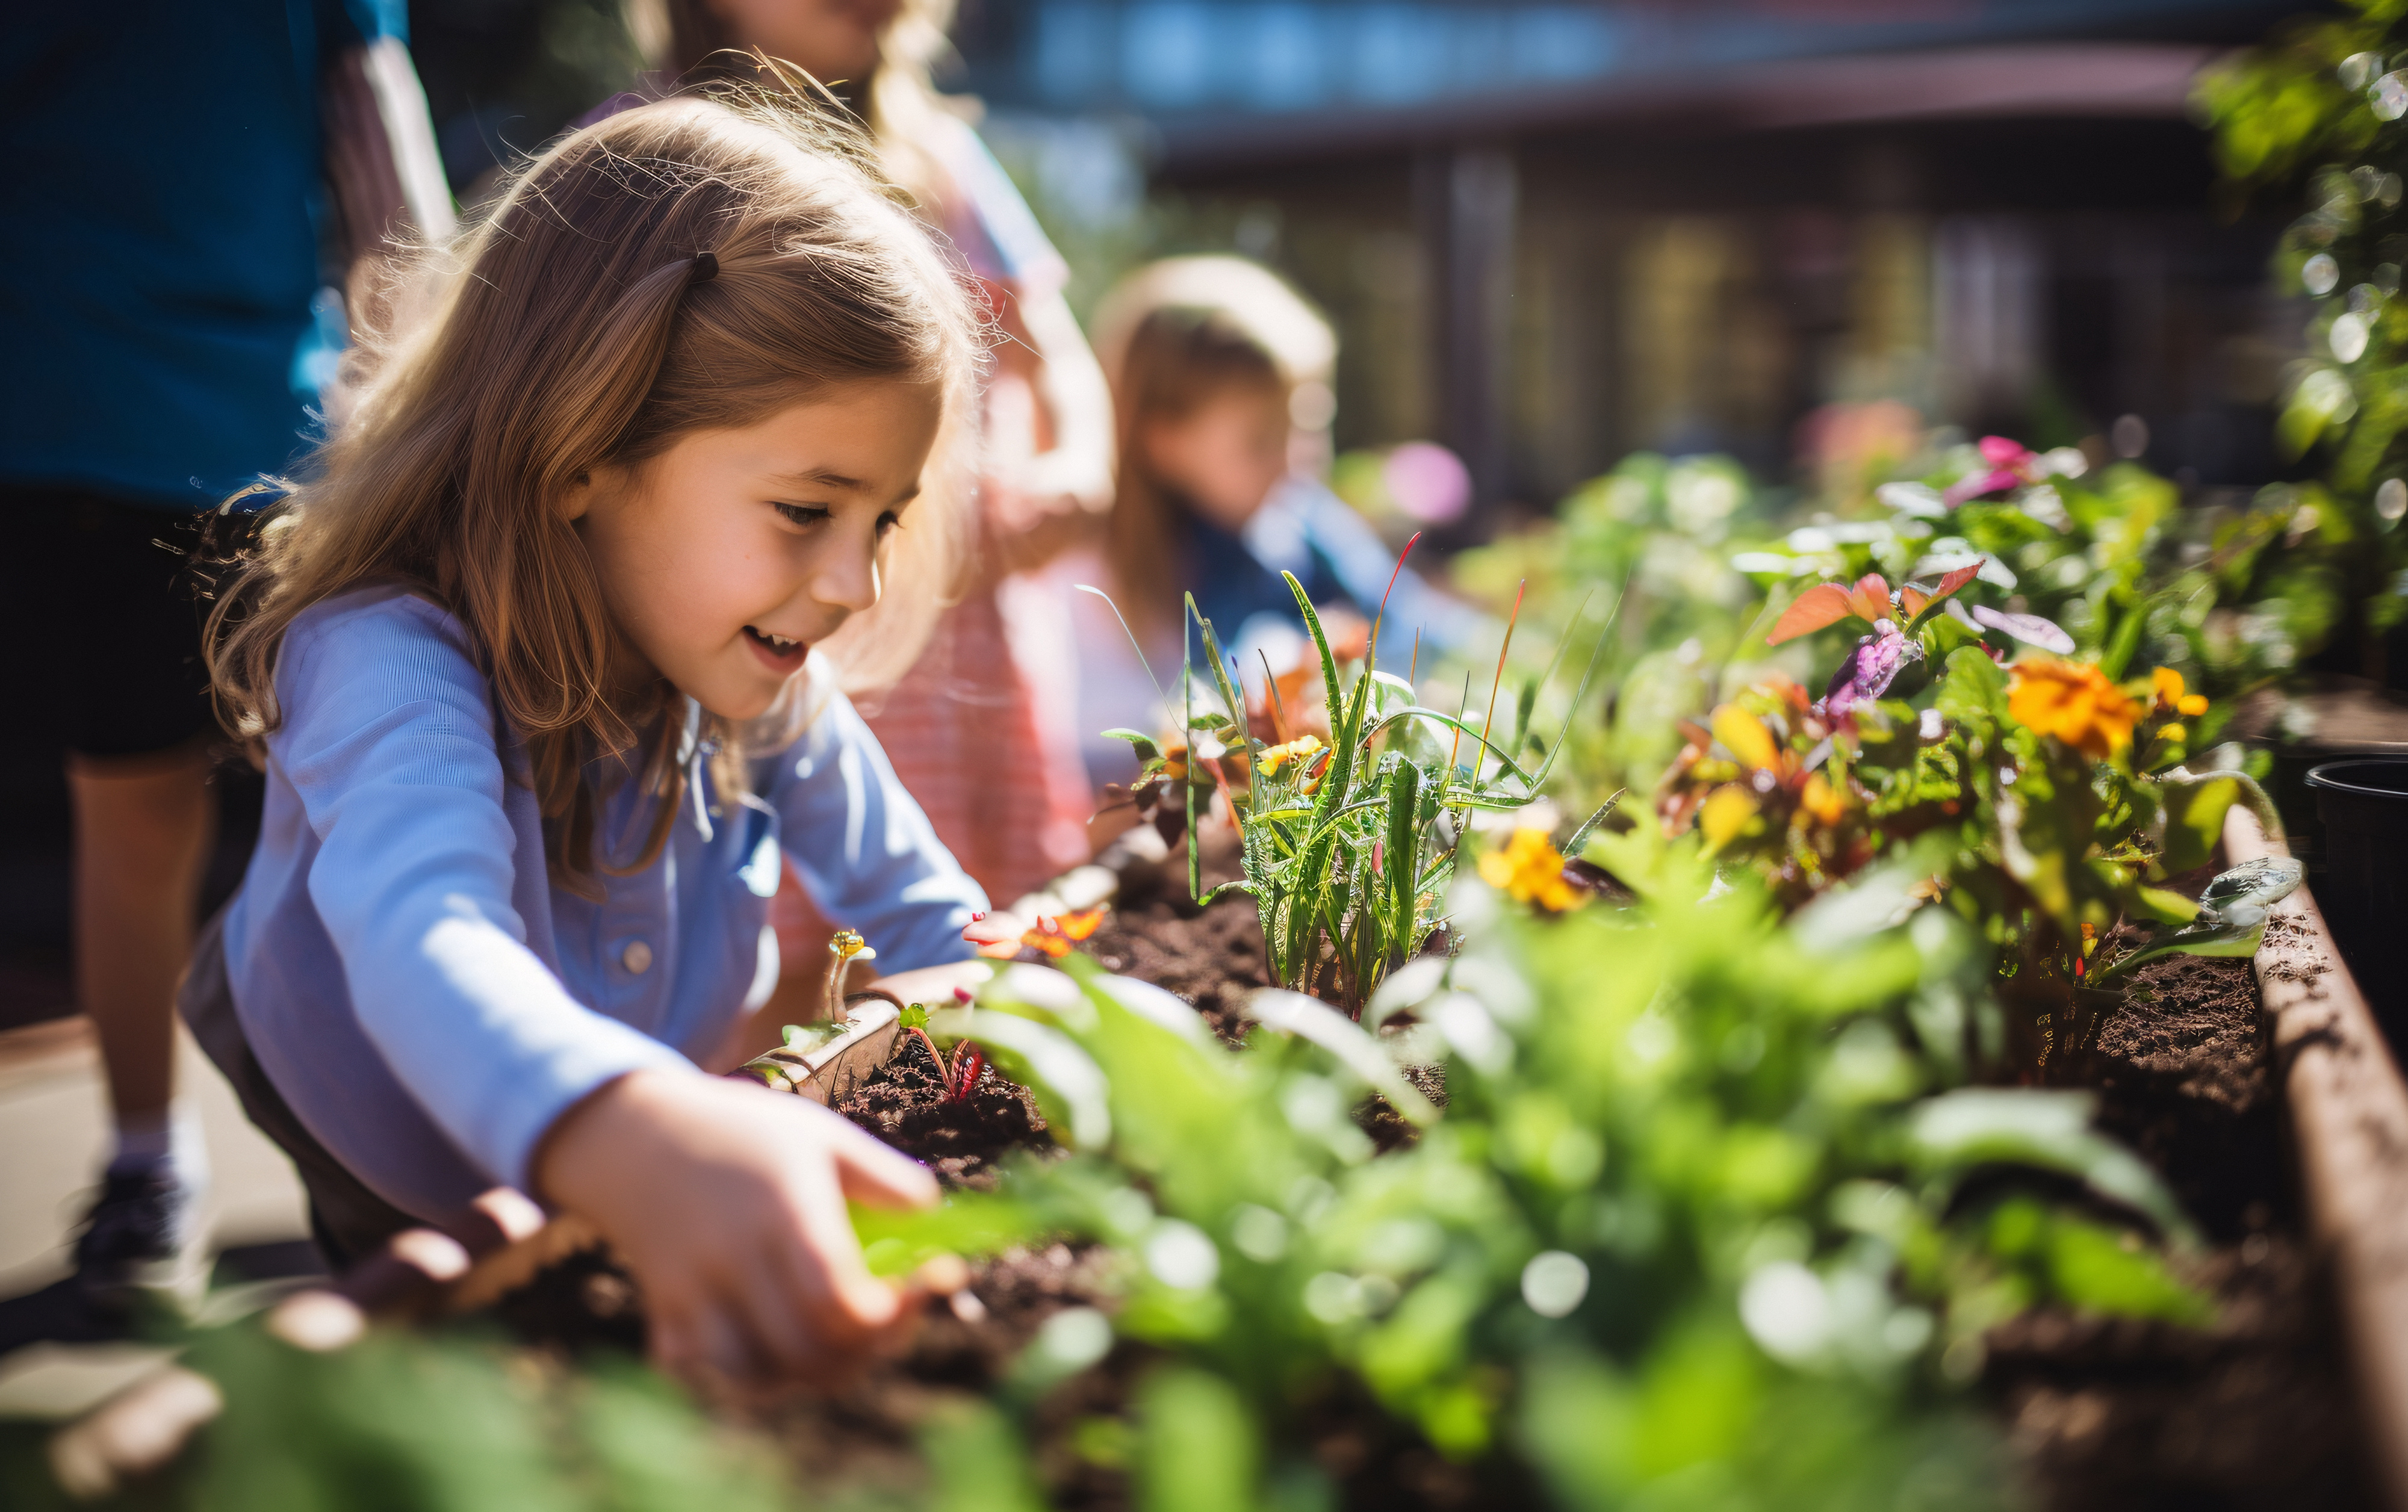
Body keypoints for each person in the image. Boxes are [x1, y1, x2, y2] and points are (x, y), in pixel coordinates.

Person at [188, 93, 993, 1389]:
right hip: (363, 1096)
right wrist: (625, 1125)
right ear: (580, 452)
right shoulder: (384, 654)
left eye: (883, 520)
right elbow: (424, 937)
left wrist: (1033, 1017)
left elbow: (921, 909)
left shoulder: (752, 661)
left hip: (620, 1077)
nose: (853, 584)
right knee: (453, 1344)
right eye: (806, 509)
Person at [2, 1, 451, 1303]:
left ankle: (373, 1150)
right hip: (109, 421)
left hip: (244, 441)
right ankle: (170, 1163)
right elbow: (388, 172)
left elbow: (386, 175)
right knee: (169, 807)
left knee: (326, 798)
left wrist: (425, 395)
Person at [633, 0, 1115, 907]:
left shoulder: (944, 159)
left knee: (985, 917)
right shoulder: (642, 157)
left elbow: (1053, 351)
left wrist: (1078, 466)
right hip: (769, 635)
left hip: (967, 632)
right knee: (793, 942)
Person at [1069, 256, 1483, 787]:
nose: (1295, 461)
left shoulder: (1300, 520)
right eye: (1260, 440)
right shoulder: (1103, 581)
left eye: (1310, 427)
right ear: (1163, 438)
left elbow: (1416, 625)